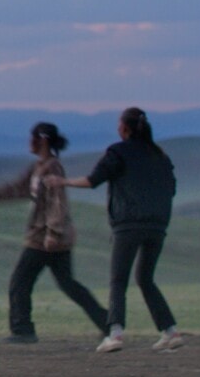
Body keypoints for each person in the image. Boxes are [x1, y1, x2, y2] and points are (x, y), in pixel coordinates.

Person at [53, 107, 186, 353]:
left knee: (118, 280)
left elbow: (93, 180)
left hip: (128, 225)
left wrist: (63, 181)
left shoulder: (118, 152)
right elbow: (172, 189)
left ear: (124, 128)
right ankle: (170, 332)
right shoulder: (160, 155)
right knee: (145, 278)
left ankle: (115, 334)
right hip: (157, 226)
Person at [0, 122, 110, 345]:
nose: (29, 142)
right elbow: (17, 188)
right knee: (68, 284)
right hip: (50, 238)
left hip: (44, 239)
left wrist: (53, 232)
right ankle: (108, 322)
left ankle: (23, 330)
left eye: (32, 138)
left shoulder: (52, 168)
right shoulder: (38, 167)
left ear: (41, 140)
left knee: (20, 281)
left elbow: (57, 201)